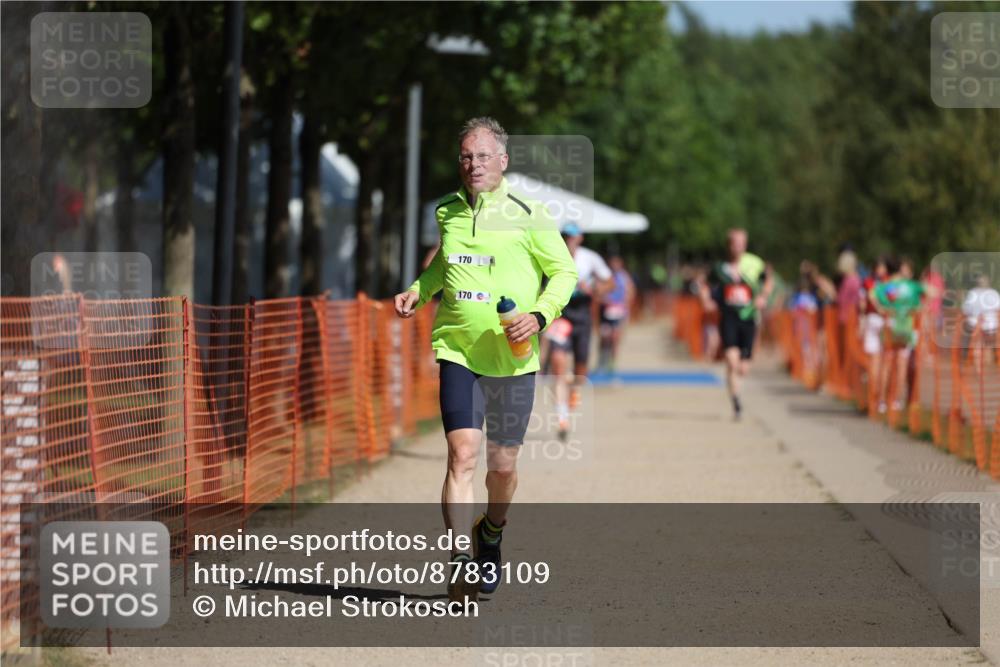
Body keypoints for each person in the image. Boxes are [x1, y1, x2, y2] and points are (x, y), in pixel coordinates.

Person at [393, 117, 577, 602]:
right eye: (465, 156)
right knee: (463, 455)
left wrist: (538, 316)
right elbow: (443, 266)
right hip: (458, 350)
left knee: (502, 465)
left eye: (482, 156)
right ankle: (459, 558)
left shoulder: (529, 212)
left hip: (514, 359)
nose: (472, 164)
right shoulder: (447, 210)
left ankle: (491, 532)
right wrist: (418, 290)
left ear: (503, 161)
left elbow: (563, 273)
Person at [544, 222, 614, 440]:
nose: (568, 241)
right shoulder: (551, 255)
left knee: (581, 372)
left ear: (580, 238)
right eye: (565, 237)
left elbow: (609, 283)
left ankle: (574, 393)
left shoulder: (590, 258)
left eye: (572, 237)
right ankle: (562, 418)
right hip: (562, 315)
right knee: (558, 363)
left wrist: (594, 289)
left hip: (583, 315)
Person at [699, 228, 773, 419]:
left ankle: (738, 380)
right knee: (732, 362)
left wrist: (763, 297)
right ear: (729, 245)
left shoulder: (754, 263)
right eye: (735, 243)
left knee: (743, 368)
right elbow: (704, 284)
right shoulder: (720, 268)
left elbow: (768, 281)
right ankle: (736, 402)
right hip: (729, 318)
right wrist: (706, 299)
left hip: (749, 318)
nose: (739, 247)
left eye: (742, 243)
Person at [872, 257, 925, 415]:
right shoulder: (910, 286)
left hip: (889, 325)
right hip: (905, 327)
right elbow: (923, 301)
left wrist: (881, 308)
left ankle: (881, 400)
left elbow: (872, 295)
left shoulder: (886, 286)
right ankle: (896, 400)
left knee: (887, 363)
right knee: (902, 364)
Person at [597, 255, 636, 373]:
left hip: (619, 311)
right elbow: (598, 290)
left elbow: (631, 291)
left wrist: (626, 305)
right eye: (613, 263)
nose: (615, 266)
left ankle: (612, 363)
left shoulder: (624, 277)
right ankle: (602, 357)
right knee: (604, 336)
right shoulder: (605, 276)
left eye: (617, 263)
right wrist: (603, 299)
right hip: (606, 311)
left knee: (615, 337)